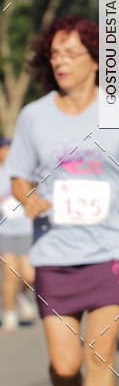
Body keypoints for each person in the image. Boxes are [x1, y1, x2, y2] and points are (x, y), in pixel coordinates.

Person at [7, 15, 119, 386]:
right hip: (55, 252)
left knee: (100, 353)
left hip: (112, 247)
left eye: (72, 53)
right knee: (65, 365)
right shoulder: (34, 115)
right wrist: (29, 200)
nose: (61, 62)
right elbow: (21, 176)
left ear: (96, 59)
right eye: (55, 54)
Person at [0, 138, 36, 331]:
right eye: (3, 149)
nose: (6, 153)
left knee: (29, 276)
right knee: (10, 274)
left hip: (26, 229)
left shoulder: (24, 170)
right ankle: (9, 314)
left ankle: (20, 295)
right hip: (4, 231)